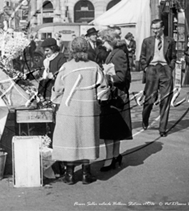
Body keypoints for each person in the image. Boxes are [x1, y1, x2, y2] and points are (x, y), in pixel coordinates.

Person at [51, 36, 109, 185]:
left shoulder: (66, 67)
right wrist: (98, 101)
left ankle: (69, 174)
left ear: (71, 50)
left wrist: (57, 101)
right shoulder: (94, 66)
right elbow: (103, 89)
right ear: (87, 48)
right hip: (88, 108)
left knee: (70, 138)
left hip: (69, 107)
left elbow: (57, 89)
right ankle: (85, 173)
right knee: (87, 137)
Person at [98, 28, 132, 171]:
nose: (103, 44)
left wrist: (105, 77)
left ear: (109, 40)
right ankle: (115, 155)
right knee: (115, 129)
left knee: (109, 130)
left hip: (114, 95)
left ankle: (109, 158)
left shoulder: (118, 54)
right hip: (114, 95)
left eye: (104, 41)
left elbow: (121, 77)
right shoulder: (114, 53)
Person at [139, 19, 176, 137]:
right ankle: (145, 119)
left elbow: (173, 56)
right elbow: (143, 57)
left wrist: (170, 68)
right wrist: (145, 68)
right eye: (153, 28)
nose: (154, 31)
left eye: (157, 28)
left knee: (165, 99)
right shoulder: (147, 41)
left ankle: (163, 128)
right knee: (149, 99)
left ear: (162, 28)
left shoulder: (170, 41)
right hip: (152, 69)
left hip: (165, 69)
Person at [37, 37, 66, 102]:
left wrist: (52, 75)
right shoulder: (45, 57)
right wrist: (42, 73)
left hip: (55, 87)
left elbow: (62, 73)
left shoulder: (61, 57)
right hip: (44, 87)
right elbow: (39, 68)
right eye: (44, 50)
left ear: (53, 49)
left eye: (47, 50)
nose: (45, 53)